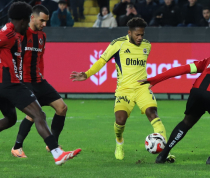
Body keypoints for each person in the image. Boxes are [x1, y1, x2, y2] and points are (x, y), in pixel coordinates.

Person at [0, 2, 81, 165]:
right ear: (25, 20)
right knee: (38, 115)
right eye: (41, 21)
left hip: (3, 84)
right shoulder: (10, 34)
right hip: (12, 83)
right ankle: (56, 153)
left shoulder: (16, 32)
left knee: (10, 119)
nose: (43, 25)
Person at [70, 18, 170, 161]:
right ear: (129, 33)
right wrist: (87, 74)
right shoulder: (118, 44)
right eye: (137, 35)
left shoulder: (147, 45)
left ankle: (164, 152)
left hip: (142, 88)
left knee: (153, 113)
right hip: (124, 90)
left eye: (142, 35)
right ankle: (119, 141)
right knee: (120, 120)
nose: (140, 38)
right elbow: (102, 61)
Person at [9, 6, 70, 157]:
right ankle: (17, 147)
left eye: (46, 21)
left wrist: (41, 75)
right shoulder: (21, 34)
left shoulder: (42, 36)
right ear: (32, 18)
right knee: (34, 114)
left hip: (39, 81)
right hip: (25, 82)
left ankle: (53, 144)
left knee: (62, 108)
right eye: (42, 20)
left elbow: (40, 58)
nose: (44, 24)